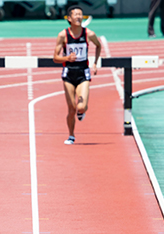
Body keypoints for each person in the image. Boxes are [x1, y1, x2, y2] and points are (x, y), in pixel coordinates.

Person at [53, 5, 101, 145]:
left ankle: (82, 111)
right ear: (69, 18)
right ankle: (71, 135)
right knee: (71, 108)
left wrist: (95, 63)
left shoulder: (89, 34)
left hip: (83, 73)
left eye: (81, 15)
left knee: (80, 107)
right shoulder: (63, 35)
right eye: (76, 15)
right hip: (68, 73)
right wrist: (67, 58)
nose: (79, 17)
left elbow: (98, 46)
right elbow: (55, 58)